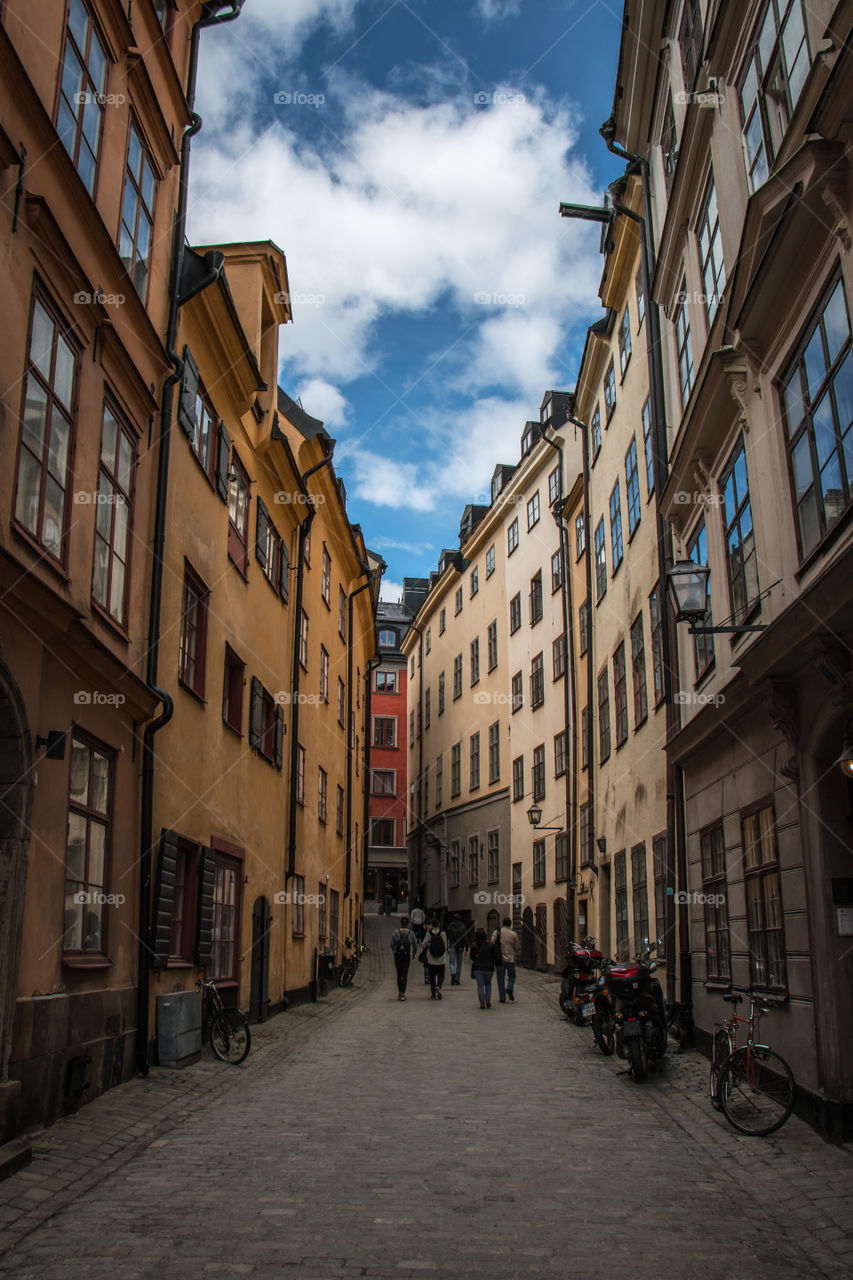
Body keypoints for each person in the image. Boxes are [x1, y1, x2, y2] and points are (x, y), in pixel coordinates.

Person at [416, 915, 448, 999]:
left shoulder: (428, 933)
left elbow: (423, 945)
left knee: (432, 976)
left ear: (432, 925)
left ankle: (433, 993)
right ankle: (439, 986)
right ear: (439, 924)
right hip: (441, 959)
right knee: (441, 975)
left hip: (431, 959)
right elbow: (445, 947)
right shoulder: (443, 934)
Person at [470, 927, 501, 1009]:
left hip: (478, 968)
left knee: (480, 985)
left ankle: (482, 1002)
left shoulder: (474, 945)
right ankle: (488, 999)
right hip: (488, 968)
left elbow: (472, 957)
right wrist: (493, 962)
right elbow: (496, 956)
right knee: (488, 984)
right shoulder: (490, 945)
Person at [491, 916, 521, 1003]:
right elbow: (517, 946)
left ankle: (502, 997)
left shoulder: (497, 932)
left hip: (500, 959)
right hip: (510, 959)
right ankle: (510, 987)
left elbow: (492, 943)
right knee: (512, 975)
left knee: (500, 978)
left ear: (503, 923)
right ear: (510, 924)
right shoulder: (514, 934)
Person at [390, 916, 417, 1000]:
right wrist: (413, 953)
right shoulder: (411, 933)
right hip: (406, 956)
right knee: (404, 974)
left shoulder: (395, 933)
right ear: (407, 923)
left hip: (397, 956)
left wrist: (395, 951)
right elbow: (415, 945)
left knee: (399, 973)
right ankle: (403, 993)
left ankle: (400, 992)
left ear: (401, 923)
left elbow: (392, 944)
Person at [445, 912, 468, 985]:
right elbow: (465, 938)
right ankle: (457, 979)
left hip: (452, 945)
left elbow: (447, 936)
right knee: (459, 964)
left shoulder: (450, 926)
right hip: (460, 946)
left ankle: (452, 973)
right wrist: (467, 948)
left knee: (452, 962)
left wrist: (447, 946)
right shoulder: (463, 926)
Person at [409, 904, 429, 984]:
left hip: (415, 922)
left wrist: (412, 921)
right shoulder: (421, 911)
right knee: (421, 933)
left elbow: (412, 916)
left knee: (415, 933)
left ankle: (415, 940)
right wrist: (422, 921)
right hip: (420, 922)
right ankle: (419, 940)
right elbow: (423, 917)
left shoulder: (413, 911)